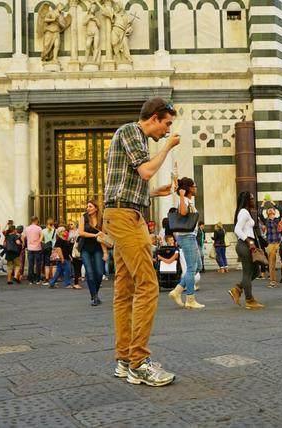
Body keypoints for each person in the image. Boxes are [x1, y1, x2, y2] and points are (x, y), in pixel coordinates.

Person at [102, 97, 179, 387]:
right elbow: (145, 170)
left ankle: (124, 359)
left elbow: (123, 185)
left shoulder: (132, 137)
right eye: (167, 124)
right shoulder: (132, 132)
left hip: (122, 212)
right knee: (148, 285)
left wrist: (152, 195)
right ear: (155, 117)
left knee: (125, 289)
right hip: (125, 218)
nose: (167, 131)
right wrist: (168, 148)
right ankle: (139, 363)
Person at [168, 178, 205, 309]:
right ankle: (190, 299)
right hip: (186, 236)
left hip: (191, 236)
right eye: (194, 186)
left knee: (198, 266)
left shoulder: (190, 201)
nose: (196, 188)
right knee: (191, 268)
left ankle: (177, 291)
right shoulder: (183, 200)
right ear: (189, 188)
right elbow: (183, 213)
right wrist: (182, 195)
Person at [228, 191, 265, 309]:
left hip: (246, 245)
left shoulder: (245, 212)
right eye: (252, 199)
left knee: (256, 272)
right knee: (248, 273)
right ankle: (249, 300)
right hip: (245, 245)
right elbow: (237, 229)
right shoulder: (244, 212)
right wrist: (249, 241)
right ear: (247, 200)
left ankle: (238, 288)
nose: (253, 201)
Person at [79, 200, 108, 306]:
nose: (88, 208)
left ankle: (94, 294)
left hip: (98, 248)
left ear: (96, 208)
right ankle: (95, 297)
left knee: (100, 273)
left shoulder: (101, 219)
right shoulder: (84, 217)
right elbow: (81, 232)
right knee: (90, 273)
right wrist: (94, 235)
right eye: (87, 206)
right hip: (85, 248)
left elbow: (103, 236)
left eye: (90, 206)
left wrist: (105, 252)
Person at [263, 207, 282, 287]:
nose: (270, 210)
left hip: (279, 242)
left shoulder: (277, 219)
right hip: (271, 243)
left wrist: (274, 204)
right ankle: (272, 281)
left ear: (275, 212)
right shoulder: (266, 220)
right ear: (267, 212)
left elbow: (281, 211)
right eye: (269, 209)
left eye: (272, 209)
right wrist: (263, 203)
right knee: (271, 263)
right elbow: (260, 213)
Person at [25, 217, 43, 284]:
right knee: (38, 264)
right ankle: (38, 279)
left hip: (30, 248)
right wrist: (38, 242)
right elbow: (41, 237)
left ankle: (31, 280)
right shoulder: (39, 228)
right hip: (37, 248)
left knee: (31, 264)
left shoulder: (27, 228)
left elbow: (24, 237)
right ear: (36, 221)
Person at [67, 221, 83, 289]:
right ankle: (76, 283)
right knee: (75, 265)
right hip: (72, 249)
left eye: (71, 224)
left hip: (77, 248)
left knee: (78, 265)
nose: (70, 225)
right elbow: (67, 241)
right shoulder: (69, 232)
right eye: (69, 224)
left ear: (75, 225)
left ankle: (77, 279)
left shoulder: (78, 231)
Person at [41, 218, 57, 285]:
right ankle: (53, 279)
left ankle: (47, 279)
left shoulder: (43, 230)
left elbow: (40, 240)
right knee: (54, 264)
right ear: (53, 223)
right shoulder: (55, 231)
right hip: (53, 249)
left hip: (46, 249)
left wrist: (44, 242)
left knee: (46, 264)